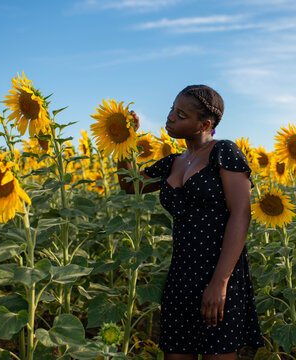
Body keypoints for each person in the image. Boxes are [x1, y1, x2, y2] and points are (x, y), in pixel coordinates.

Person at [117, 85, 264, 360]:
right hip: (181, 274)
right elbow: (129, 184)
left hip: (220, 273)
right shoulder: (173, 162)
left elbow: (240, 215)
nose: (171, 117)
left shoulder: (225, 153)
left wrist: (220, 283)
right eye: (172, 109)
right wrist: (124, 138)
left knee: (216, 354)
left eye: (181, 114)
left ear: (204, 124)